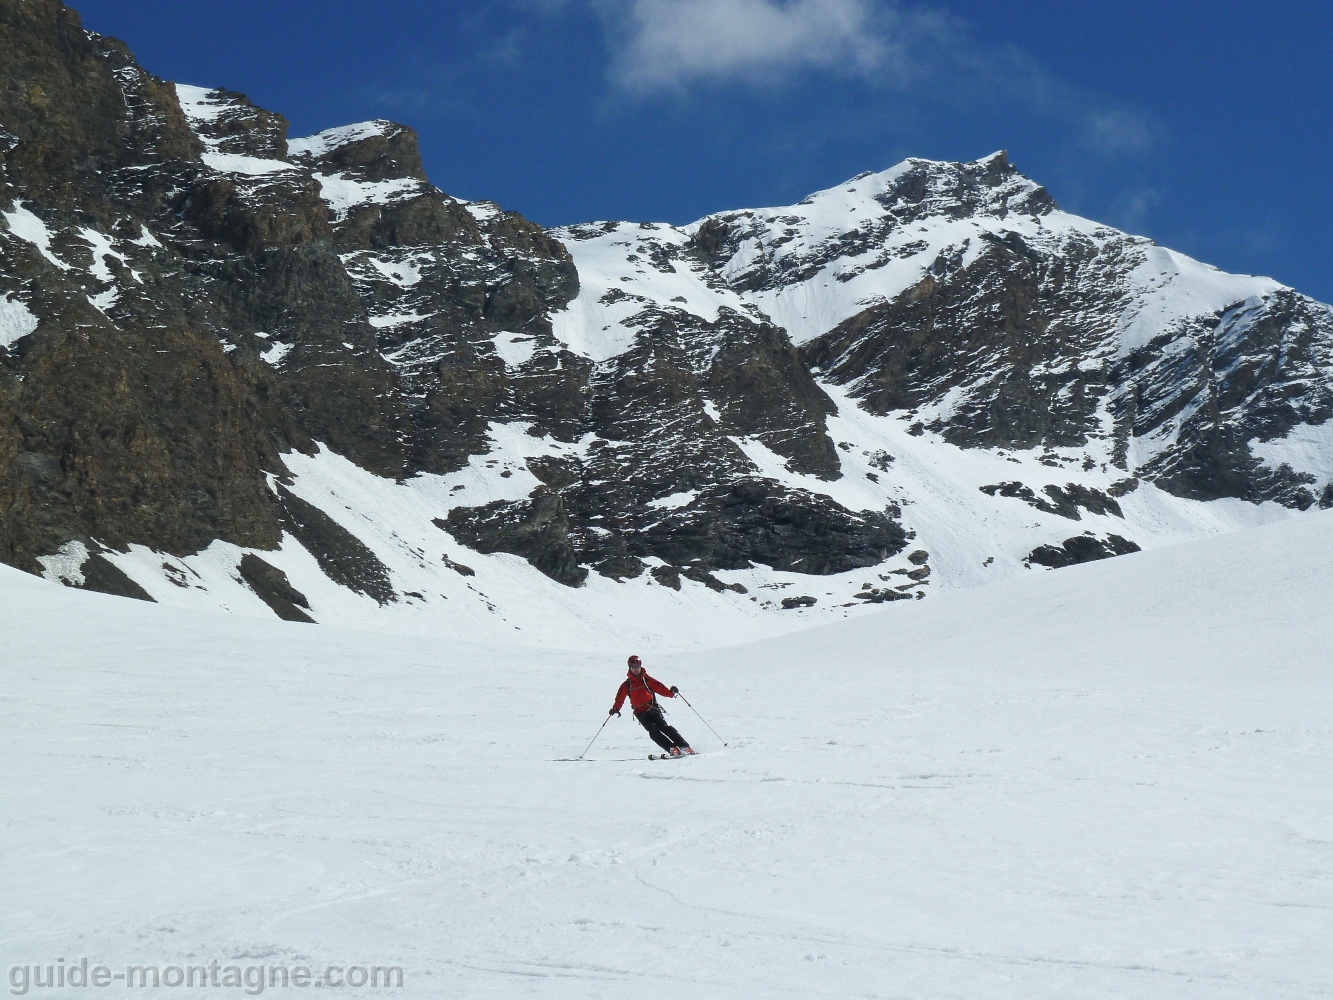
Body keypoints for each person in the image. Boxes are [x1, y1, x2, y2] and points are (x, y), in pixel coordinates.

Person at [609, 655, 695, 756]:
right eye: (633, 667)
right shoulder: (627, 684)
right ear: (629, 668)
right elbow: (620, 698)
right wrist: (615, 708)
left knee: (664, 727)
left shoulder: (647, 679)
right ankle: (672, 749)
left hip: (652, 708)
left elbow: (660, 688)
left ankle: (684, 746)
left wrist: (671, 693)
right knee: (653, 732)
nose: (636, 670)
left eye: (638, 667)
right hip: (640, 712)